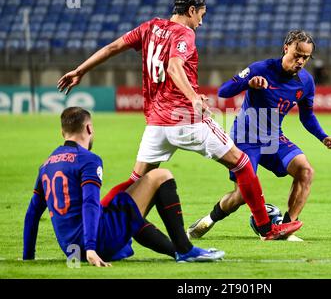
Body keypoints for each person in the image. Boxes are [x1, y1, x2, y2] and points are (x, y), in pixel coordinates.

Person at [57, 0, 301, 240]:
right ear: (191, 10)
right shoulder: (185, 33)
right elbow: (174, 66)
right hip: (185, 118)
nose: (201, 22)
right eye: (201, 15)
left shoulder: (149, 27)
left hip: (155, 124)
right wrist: (194, 97)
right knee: (243, 164)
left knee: (135, 180)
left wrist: (80, 70)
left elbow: (112, 47)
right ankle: (266, 227)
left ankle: (96, 219)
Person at [23, 107, 225, 265]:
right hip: (95, 243)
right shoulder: (88, 160)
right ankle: (185, 249)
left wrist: (28, 256)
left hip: (72, 250)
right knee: (161, 176)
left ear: (62, 132)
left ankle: (176, 251)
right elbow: (90, 203)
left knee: (124, 204)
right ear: (89, 129)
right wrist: (92, 248)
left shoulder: (46, 165)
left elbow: (32, 214)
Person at [187, 30, 331, 241]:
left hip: (274, 138)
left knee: (305, 171)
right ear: (286, 48)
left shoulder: (306, 82)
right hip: (246, 139)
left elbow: (307, 116)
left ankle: (285, 228)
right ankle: (208, 220)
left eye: (305, 57)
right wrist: (247, 84)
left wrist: (323, 137)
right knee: (241, 195)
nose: (301, 61)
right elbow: (224, 91)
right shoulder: (261, 69)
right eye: (297, 54)